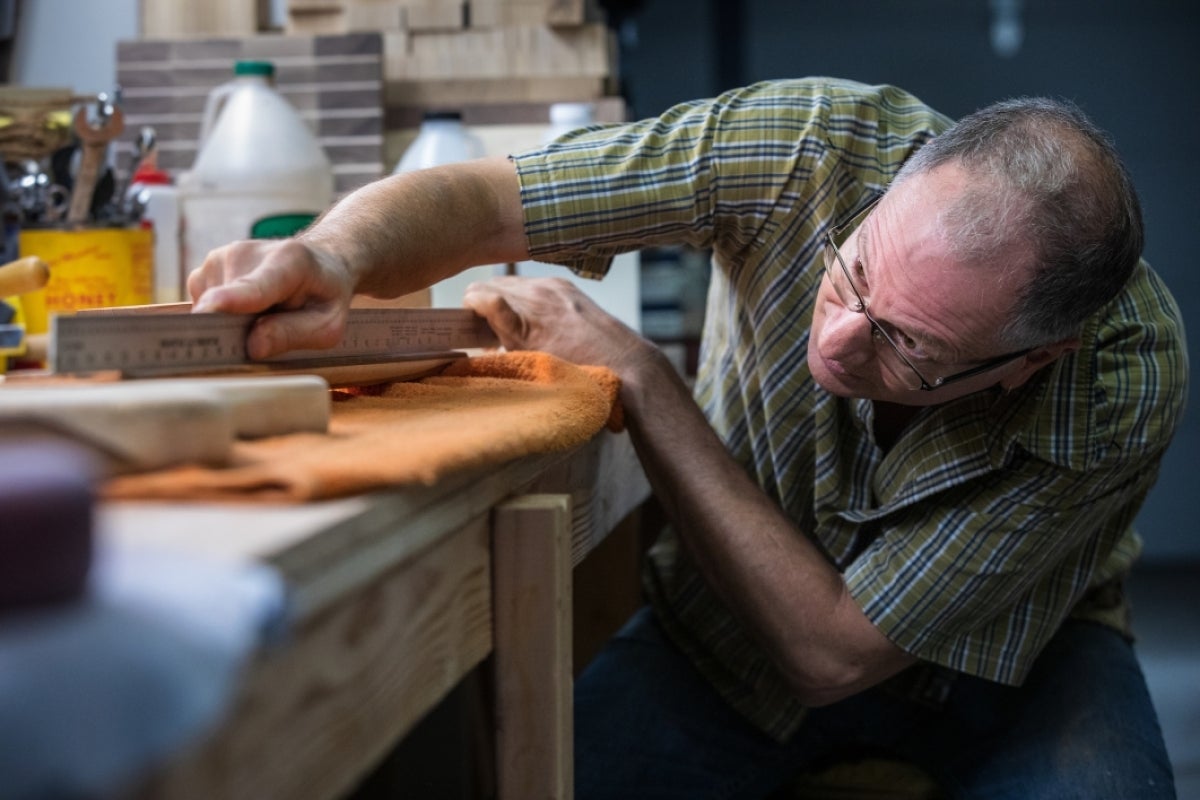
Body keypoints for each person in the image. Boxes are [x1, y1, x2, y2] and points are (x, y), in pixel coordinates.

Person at [188, 78, 1187, 798]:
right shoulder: (809, 149)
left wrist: (645, 381)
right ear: (889, 188)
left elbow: (833, 651)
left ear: (1032, 359)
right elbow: (497, 199)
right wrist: (333, 253)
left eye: (910, 347)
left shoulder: (1118, 378)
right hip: (718, 639)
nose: (836, 345)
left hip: (1013, 671)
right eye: (852, 274)